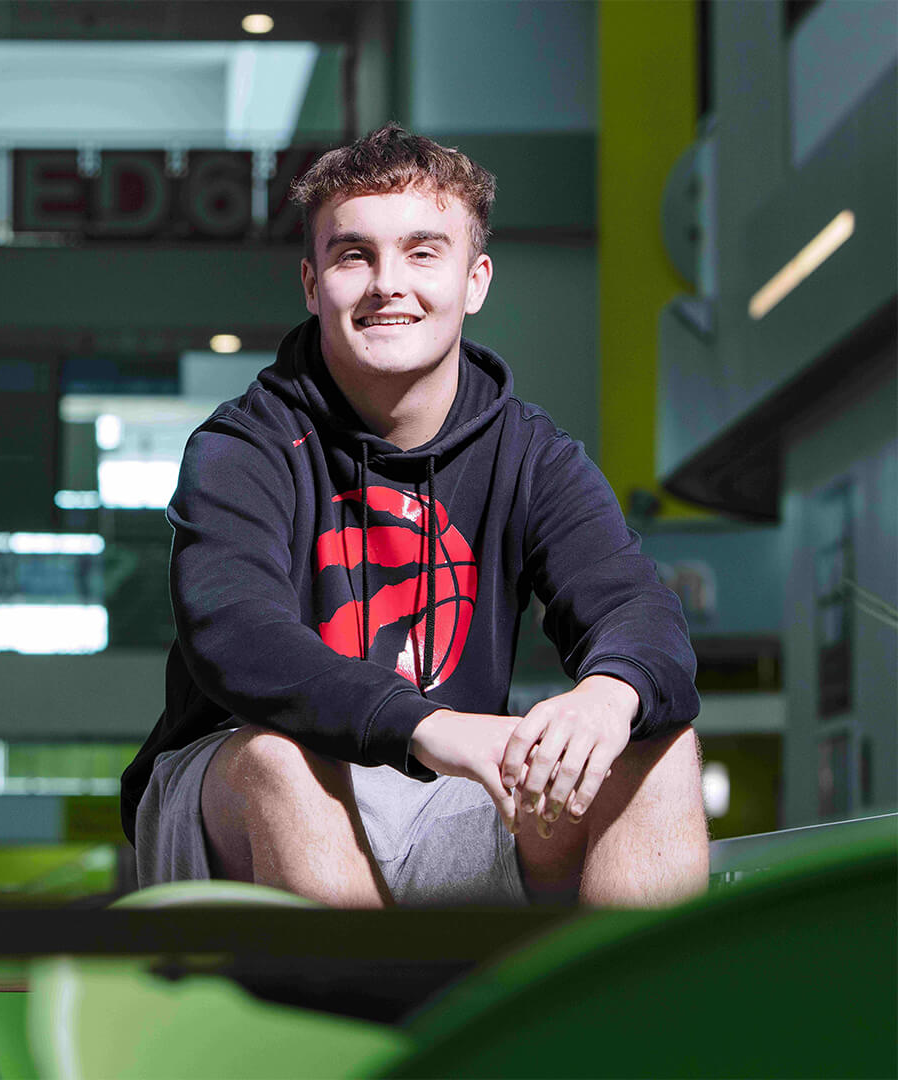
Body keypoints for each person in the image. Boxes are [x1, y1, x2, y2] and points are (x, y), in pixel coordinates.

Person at [121, 124, 708, 908]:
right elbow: (238, 637)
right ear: (311, 282)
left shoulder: (530, 454)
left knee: (657, 743)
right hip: (240, 789)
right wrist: (428, 727)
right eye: (353, 254)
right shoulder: (244, 445)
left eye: (423, 252)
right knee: (280, 759)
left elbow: (637, 609)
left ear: (476, 280)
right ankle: (365, 1024)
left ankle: (636, 1032)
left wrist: (607, 696)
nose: (387, 283)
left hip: (446, 790)